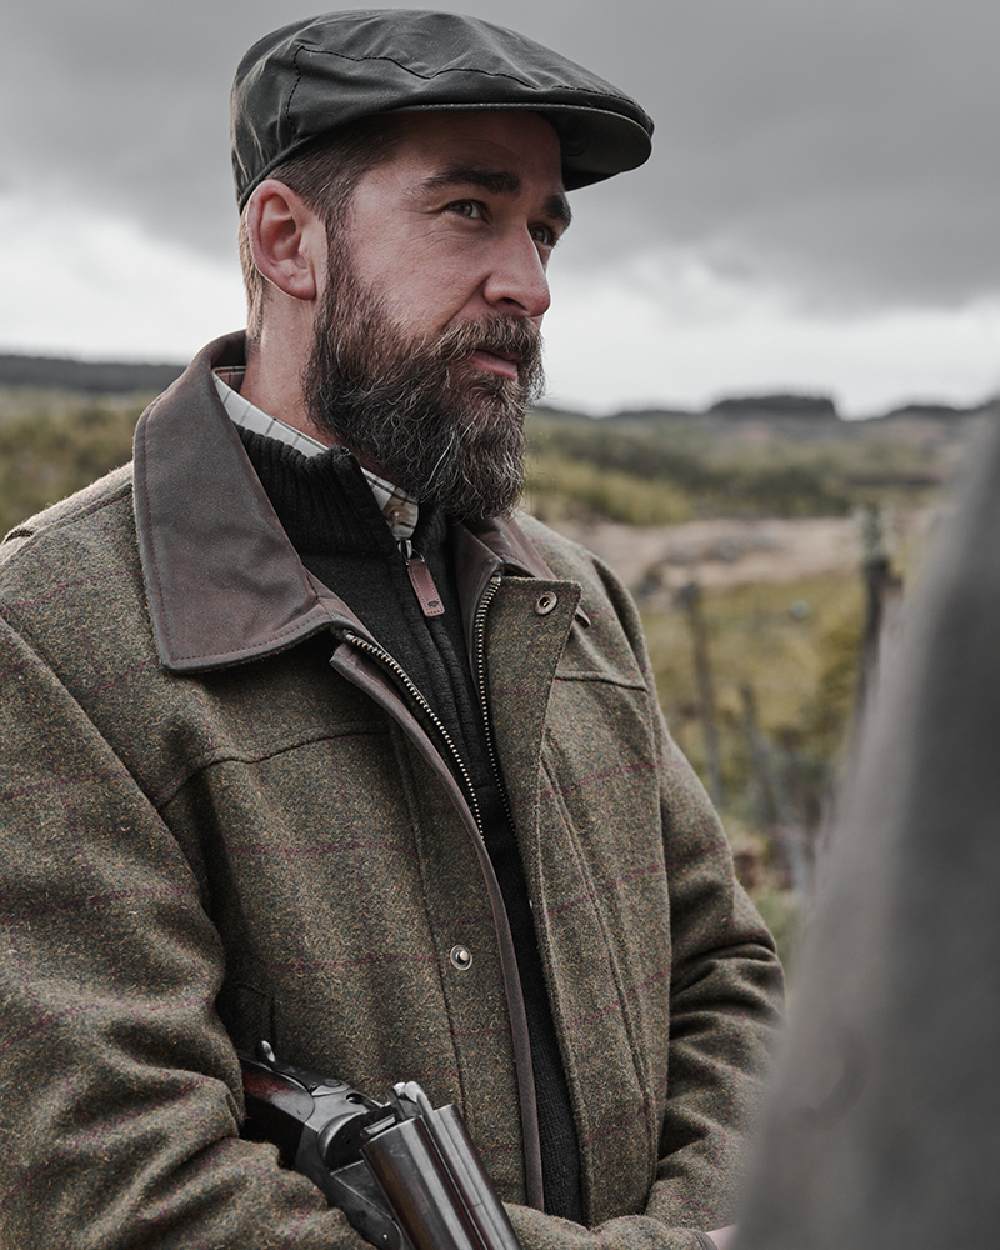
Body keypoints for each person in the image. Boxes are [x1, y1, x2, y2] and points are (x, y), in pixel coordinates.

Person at [0, 11, 782, 1250]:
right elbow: (117, 1187)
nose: (527, 281)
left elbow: (727, 976)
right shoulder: (48, 634)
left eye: (542, 228)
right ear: (286, 240)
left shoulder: (573, 597)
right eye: (470, 209)